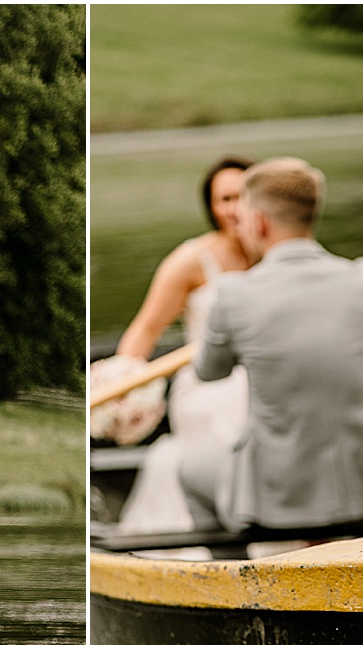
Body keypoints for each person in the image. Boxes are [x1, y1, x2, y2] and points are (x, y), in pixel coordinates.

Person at [180, 157, 363, 532]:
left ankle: (230, 575)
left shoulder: (233, 293)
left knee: (185, 469)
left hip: (280, 502)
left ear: (259, 222)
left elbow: (208, 371)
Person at [104, 156, 255, 535]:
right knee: (230, 407)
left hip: (268, 370)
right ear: (212, 207)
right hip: (209, 381)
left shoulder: (277, 252)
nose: (235, 208)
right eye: (225, 199)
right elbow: (146, 329)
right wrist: (123, 385)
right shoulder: (190, 261)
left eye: (243, 196)